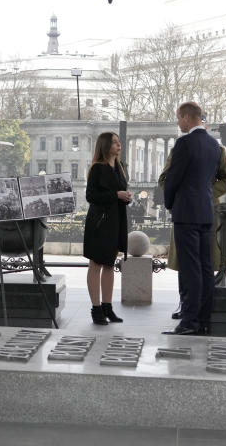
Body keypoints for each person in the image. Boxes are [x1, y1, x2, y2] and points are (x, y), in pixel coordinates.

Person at [159, 115, 226, 320]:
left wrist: (206, 191)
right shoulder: (181, 148)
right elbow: (165, 178)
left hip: (204, 208)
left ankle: (195, 313)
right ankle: (187, 306)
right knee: (188, 264)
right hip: (187, 208)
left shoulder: (218, 150)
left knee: (202, 263)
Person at [162, 101, 221, 335]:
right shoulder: (214, 145)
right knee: (206, 268)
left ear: (187, 117)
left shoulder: (184, 143)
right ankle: (204, 319)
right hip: (206, 211)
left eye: (179, 118)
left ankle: (189, 321)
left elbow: (172, 179)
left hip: (186, 212)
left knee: (190, 269)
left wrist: (169, 203)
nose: (178, 122)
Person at [83, 132, 131, 325]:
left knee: (110, 265)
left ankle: (107, 307)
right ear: (105, 146)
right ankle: (96, 310)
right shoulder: (97, 168)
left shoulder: (119, 167)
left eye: (119, 142)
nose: (119, 145)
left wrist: (125, 197)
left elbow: (117, 194)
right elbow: (91, 196)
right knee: (96, 264)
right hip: (99, 223)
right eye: (114, 142)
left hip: (115, 221)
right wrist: (116, 195)